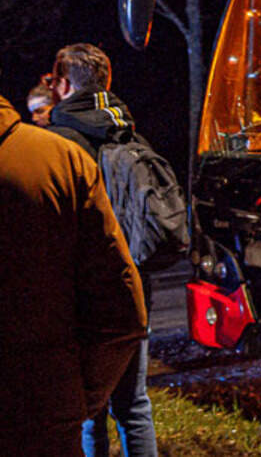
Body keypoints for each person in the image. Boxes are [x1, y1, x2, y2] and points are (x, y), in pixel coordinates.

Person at [0, 89, 147, 456]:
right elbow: (122, 306)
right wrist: (76, 397)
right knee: (132, 407)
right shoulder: (59, 157)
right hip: (42, 408)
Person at [46, 44, 160, 457]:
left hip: (78, 291)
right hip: (132, 285)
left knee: (85, 406)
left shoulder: (57, 143)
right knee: (133, 404)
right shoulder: (130, 134)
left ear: (64, 85)